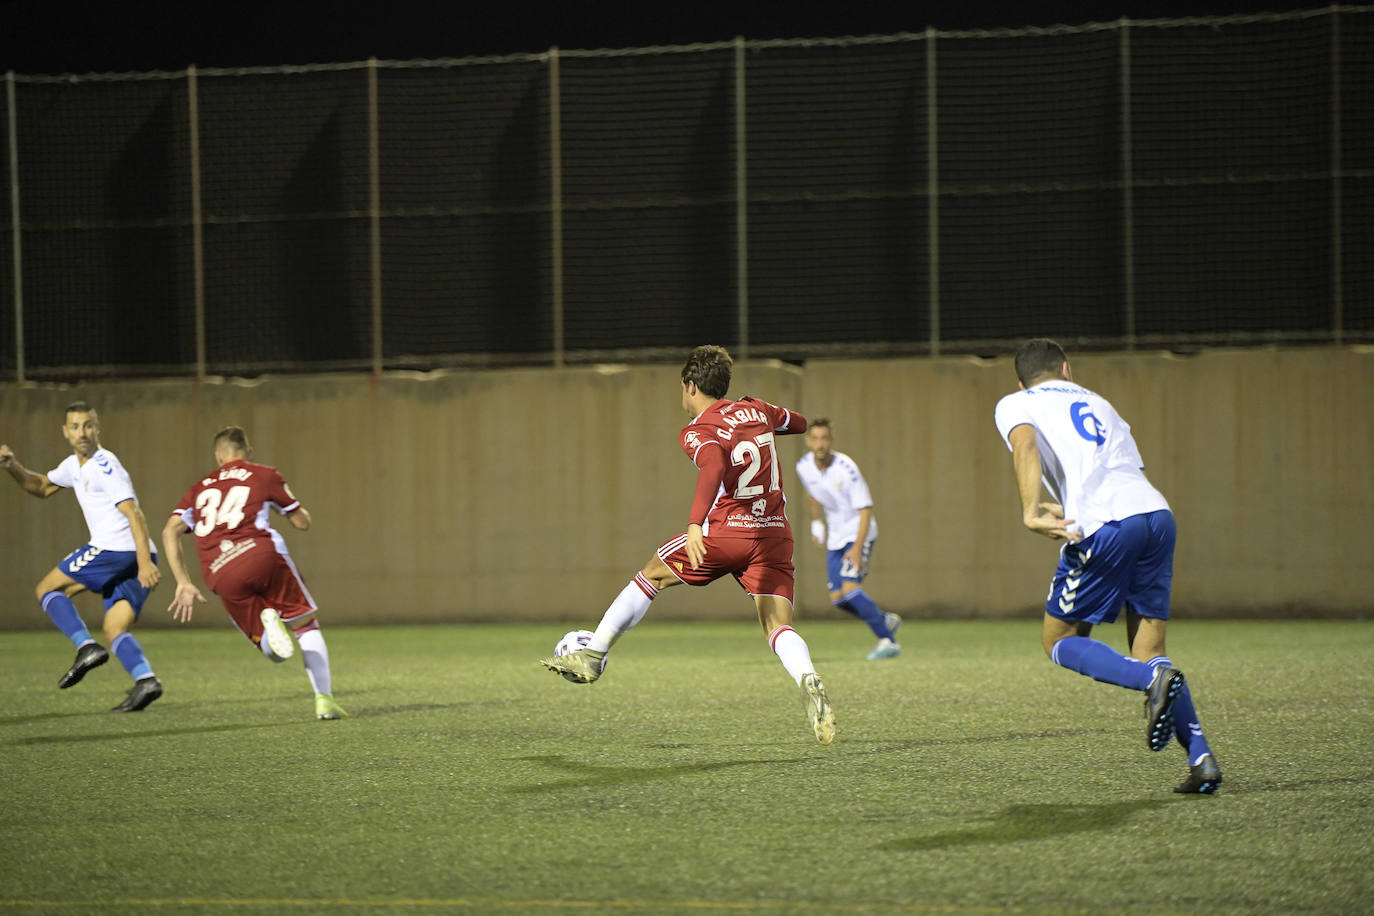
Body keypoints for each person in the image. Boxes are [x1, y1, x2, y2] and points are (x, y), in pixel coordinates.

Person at [540, 345, 836, 744]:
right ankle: (808, 678)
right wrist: (759, 422)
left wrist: (696, 524)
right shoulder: (757, 409)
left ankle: (593, 655)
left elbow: (714, 464)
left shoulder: (697, 429)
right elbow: (797, 423)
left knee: (651, 575)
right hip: (773, 535)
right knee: (777, 625)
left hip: (727, 533)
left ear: (691, 385)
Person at [993, 338, 1221, 794]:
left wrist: (1031, 510)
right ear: (1066, 369)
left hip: (1106, 525)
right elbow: (1127, 469)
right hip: (1155, 515)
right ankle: (1202, 762)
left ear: (1021, 381)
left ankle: (1152, 680)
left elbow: (1025, 445)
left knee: (1059, 640)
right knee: (1150, 648)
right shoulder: (1100, 403)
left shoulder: (1016, 402)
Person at [161, 426, 344, 720]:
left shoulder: (199, 489)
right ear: (249, 451)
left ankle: (269, 630)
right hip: (262, 555)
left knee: (272, 651)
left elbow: (170, 531)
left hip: (220, 572)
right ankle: (324, 701)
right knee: (305, 626)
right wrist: (300, 511)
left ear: (218, 456)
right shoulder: (264, 474)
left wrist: (183, 582)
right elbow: (301, 523)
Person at [0, 401, 164, 711]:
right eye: (75, 427)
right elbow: (42, 486)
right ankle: (146, 680)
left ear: (97, 428)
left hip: (116, 549)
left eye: (88, 425)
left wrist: (143, 563)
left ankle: (85, 646)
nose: (82, 432)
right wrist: (12, 466)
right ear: (65, 432)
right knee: (114, 628)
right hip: (133, 554)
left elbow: (134, 513)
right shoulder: (73, 466)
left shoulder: (105, 464)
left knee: (47, 589)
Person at [795, 418, 902, 660]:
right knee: (838, 599)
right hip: (836, 536)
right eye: (816, 439)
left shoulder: (846, 469)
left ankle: (888, 640)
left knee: (851, 588)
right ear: (808, 442)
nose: (820, 444)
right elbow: (812, 494)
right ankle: (883, 620)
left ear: (831, 441)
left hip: (858, 532)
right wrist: (816, 522)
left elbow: (865, 509)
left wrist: (857, 547)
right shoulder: (804, 466)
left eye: (825, 439)